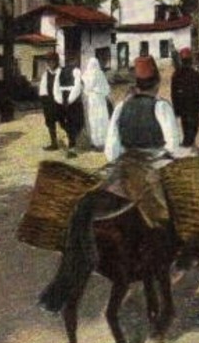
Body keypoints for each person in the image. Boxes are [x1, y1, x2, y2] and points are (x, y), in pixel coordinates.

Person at [39, 56, 181, 314]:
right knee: (171, 212)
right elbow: (172, 145)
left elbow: (110, 149)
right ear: (157, 84)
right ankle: (169, 256)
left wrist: (124, 158)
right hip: (150, 166)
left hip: (122, 166)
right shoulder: (162, 107)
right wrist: (157, 157)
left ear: (136, 83)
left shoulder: (121, 107)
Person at [171, 46, 199, 147]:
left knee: (187, 130)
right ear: (191, 60)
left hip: (183, 110)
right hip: (193, 109)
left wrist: (176, 110)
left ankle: (189, 145)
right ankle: (186, 147)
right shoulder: (195, 74)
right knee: (193, 130)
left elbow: (173, 95)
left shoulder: (176, 75)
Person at [54, 53, 84, 158]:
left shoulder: (59, 71)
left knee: (66, 123)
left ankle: (70, 145)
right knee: (76, 122)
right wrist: (70, 100)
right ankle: (71, 147)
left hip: (62, 99)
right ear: (73, 61)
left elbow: (56, 87)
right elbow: (77, 87)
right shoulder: (76, 71)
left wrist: (59, 100)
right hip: (72, 101)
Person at [81, 55, 111, 150]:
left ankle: (94, 142)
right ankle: (102, 141)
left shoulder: (87, 74)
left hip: (92, 100)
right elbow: (106, 89)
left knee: (93, 120)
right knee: (101, 120)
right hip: (100, 100)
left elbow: (85, 87)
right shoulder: (100, 73)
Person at [38, 51, 63, 151]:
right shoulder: (46, 74)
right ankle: (54, 143)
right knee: (50, 122)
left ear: (56, 61)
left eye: (52, 61)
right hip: (49, 102)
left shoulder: (61, 72)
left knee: (64, 122)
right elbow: (43, 89)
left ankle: (71, 143)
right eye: (48, 61)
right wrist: (44, 101)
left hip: (60, 102)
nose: (50, 63)